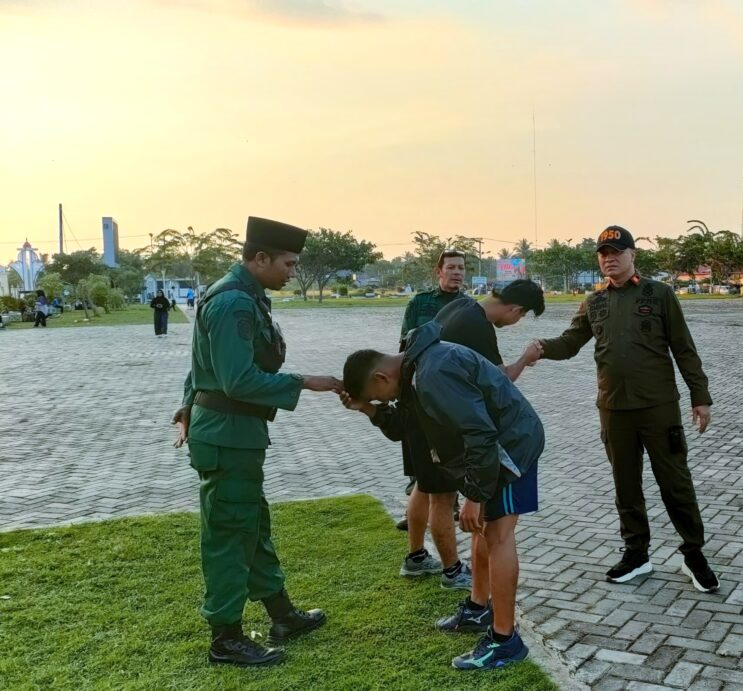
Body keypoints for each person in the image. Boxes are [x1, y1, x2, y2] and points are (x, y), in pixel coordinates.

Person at [171, 217, 343, 667]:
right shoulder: (234, 302)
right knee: (230, 534)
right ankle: (225, 638)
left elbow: (199, 364)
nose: (293, 272)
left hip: (234, 434)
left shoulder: (241, 294)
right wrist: (304, 382)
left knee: (252, 525)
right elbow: (237, 379)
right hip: (227, 435)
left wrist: (188, 405)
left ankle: (281, 615)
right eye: (288, 264)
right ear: (260, 258)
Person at [523, 225, 720, 592]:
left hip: (658, 408)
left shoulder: (659, 295)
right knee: (625, 485)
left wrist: (700, 396)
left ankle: (693, 553)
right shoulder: (594, 302)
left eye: (616, 252)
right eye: (604, 254)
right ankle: (636, 553)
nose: (609, 259)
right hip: (614, 410)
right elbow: (570, 342)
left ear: (633, 255)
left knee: (675, 483)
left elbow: (684, 348)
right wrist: (541, 348)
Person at [341, 319, 543, 670]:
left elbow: (480, 432)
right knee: (484, 531)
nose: (384, 401)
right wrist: (367, 408)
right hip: (491, 453)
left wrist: (475, 496)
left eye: (377, 397)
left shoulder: (434, 371)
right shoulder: (416, 370)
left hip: (510, 448)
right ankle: (479, 609)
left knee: (498, 535)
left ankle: (505, 640)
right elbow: (407, 428)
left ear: (381, 377)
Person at [393, 249, 466, 580]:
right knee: (436, 489)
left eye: (461, 268)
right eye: (451, 267)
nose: (457, 273)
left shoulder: (469, 307)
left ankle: (417, 557)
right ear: (439, 271)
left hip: (453, 402)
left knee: (427, 485)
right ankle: (450, 570)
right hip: (423, 402)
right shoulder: (420, 304)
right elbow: (404, 350)